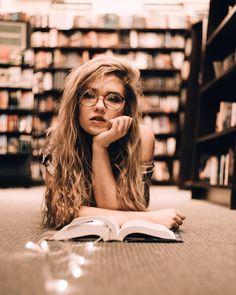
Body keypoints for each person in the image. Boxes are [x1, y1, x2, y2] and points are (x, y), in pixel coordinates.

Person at [41, 55, 186, 229]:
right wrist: (146, 220)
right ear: (75, 103)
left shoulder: (142, 138)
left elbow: (127, 207)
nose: (100, 106)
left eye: (113, 98)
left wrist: (100, 147)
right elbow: (61, 211)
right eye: (88, 95)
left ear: (126, 108)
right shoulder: (58, 139)